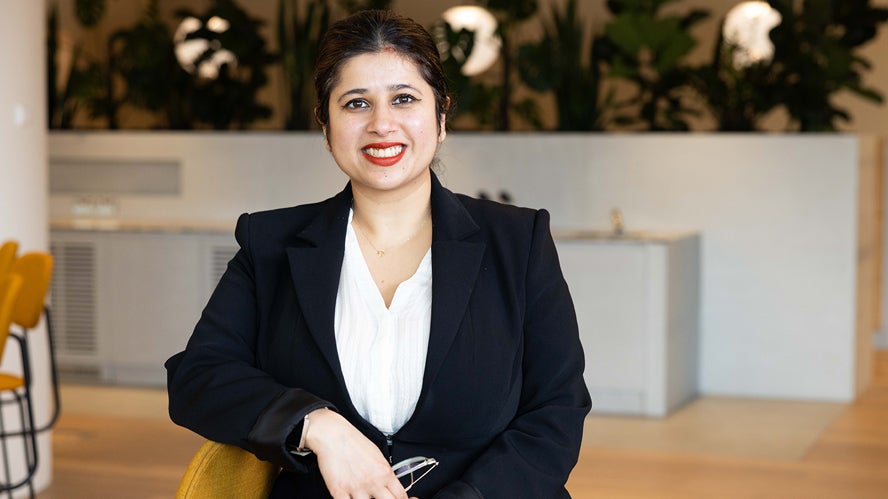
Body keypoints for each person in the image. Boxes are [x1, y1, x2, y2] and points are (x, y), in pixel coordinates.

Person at [165, 9, 590, 499]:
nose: (381, 124)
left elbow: (556, 412)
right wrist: (315, 425)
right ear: (326, 128)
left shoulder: (518, 241)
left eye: (404, 99)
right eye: (356, 103)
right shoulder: (271, 243)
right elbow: (198, 376)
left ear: (441, 116)